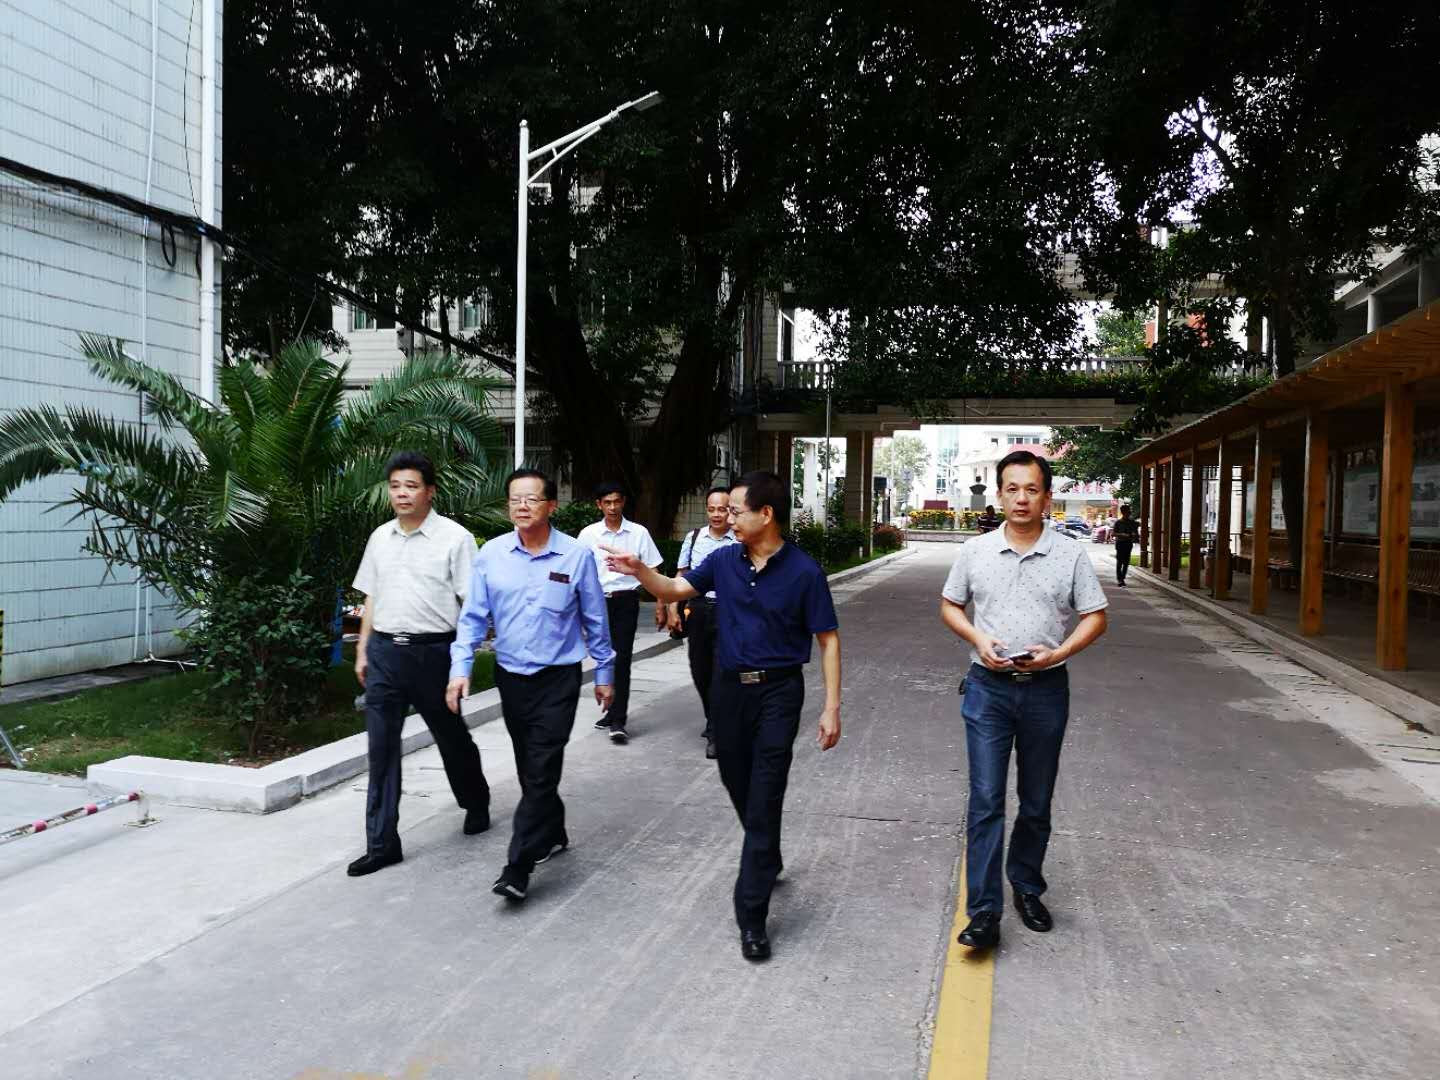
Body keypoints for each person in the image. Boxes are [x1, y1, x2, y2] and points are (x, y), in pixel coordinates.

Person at [602, 471, 841, 962]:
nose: (728, 518)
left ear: (766, 514)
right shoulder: (723, 560)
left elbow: (828, 640)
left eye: (736, 510)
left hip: (779, 692)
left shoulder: (804, 572)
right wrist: (639, 571)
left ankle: (751, 915)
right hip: (729, 690)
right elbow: (675, 586)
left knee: (765, 791)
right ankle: (767, 850)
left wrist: (831, 707)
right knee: (736, 778)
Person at [939, 450, 1108, 951]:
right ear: (999, 494)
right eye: (1012, 489)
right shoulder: (976, 551)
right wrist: (977, 638)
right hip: (987, 689)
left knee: (1036, 800)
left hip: (1045, 692)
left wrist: (1060, 652)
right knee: (986, 799)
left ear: (1047, 497)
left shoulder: (1069, 554)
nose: (1021, 498)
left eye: (1031, 489)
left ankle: (1027, 887)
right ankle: (984, 911)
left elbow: (1096, 617)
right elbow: (950, 605)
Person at [447, 468, 615, 903]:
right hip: (511, 677)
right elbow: (473, 618)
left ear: (551, 506)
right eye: (515, 500)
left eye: (532, 499)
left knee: (541, 769)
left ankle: (517, 867)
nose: (522, 507)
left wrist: (605, 674)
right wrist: (461, 667)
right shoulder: (492, 555)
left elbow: (595, 619)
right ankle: (553, 830)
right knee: (531, 767)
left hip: (558, 679)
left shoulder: (575, 556)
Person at [348, 451, 491, 877]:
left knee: (451, 736)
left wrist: (463, 662)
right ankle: (382, 844)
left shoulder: (455, 539)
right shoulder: (380, 537)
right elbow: (372, 595)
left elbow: (473, 604)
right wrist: (363, 648)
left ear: (430, 491)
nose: (402, 494)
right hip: (385, 654)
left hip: (434, 654)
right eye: (395, 486)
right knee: (381, 749)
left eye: (411, 486)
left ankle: (475, 801)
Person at [577, 483, 663, 744]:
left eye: (616, 501)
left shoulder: (638, 533)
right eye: (607, 502)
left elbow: (654, 569)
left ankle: (618, 721)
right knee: (603, 657)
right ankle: (611, 710)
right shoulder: (589, 534)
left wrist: (661, 604)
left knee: (622, 658)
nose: (612, 507)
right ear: (599, 505)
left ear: (623, 502)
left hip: (626, 600)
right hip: (597, 603)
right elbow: (577, 570)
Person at [667, 486, 739, 760]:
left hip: (728, 612)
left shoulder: (739, 540)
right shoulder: (694, 537)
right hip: (697, 610)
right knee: (700, 671)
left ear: (731, 511)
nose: (717, 514)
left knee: (722, 672)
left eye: (723, 509)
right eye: (711, 509)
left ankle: (716, 731)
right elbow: (681, 575)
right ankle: (713, 717)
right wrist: (672, 609)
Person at [1111, 504, 1138, 587]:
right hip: (1120, 543)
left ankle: (1122, 577)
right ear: (1123, 512)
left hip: (1128, 543)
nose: (1129, 513)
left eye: (1129, 511)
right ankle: (1120, 579)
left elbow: (1135, 533)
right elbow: (1113, 533)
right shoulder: (1118, 522)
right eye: (1127, 511)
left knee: (1126, 562)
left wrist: (1134, 534)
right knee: (1119, 562)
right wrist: (1122, 534)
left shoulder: (1132, 522)